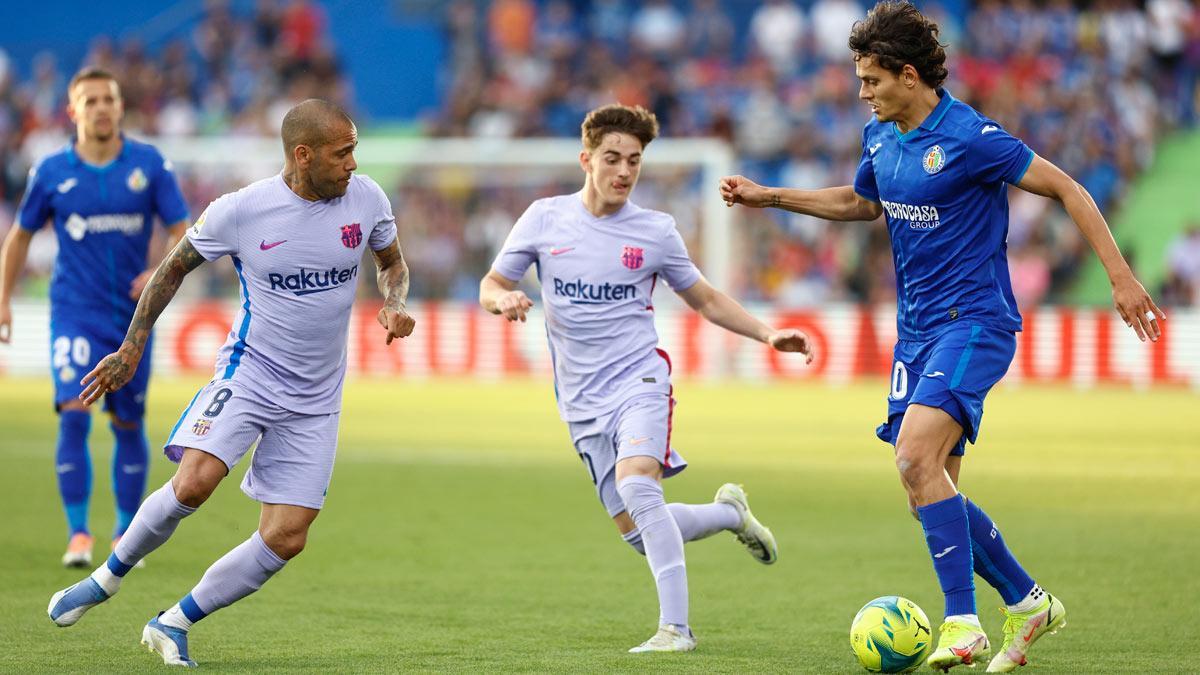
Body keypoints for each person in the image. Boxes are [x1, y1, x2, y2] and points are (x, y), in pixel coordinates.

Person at [719, 2, 1164, 671]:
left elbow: (1068, 187)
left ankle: (963, 621)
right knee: (926, 487)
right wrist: (769, 196)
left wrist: (1120, 276)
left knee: (913, 457)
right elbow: (862, 203)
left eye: (870, 80)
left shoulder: (971, 136)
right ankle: (1028, 600)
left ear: (907, 74)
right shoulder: (881, 139)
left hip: (976, 321)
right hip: (917, 332)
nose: (861, 92)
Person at [45, 98, 415, 668]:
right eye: (342, 154)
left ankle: (174, 621)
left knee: (288, 536)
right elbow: (172, 268)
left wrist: (393, 303)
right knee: (194, 482)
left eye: (355, 151)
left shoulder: (366, 200)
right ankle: (106, 579)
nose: (353, 165)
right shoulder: (241, 210)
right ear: (303, 154)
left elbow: (392, 262)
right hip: (252, 373)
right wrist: (131, 345)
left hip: (317, 399)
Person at [480, 103, 813, 653]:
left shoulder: (655, 231)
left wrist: (767, 334)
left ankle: (675, 631)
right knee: (640, 532)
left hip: (640, 381)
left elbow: (703, 298)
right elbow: (490, 283)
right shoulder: (544, 218)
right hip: (581, 402)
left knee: (639, 484)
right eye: (612, 158)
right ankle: (730, 513)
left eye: (634, 161)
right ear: (586, 159)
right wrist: (504, 298)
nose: (623, 171)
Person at [0, 67, 189, 568]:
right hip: (75, 312)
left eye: (110, 98)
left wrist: (157, 270)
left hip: (133, 321)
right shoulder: (52, 172)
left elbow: (183, 230)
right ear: (73, 111)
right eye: (91, 100)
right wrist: (2, 300)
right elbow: (19, 236)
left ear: (121, 107)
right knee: (74, 412)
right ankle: (79, 534)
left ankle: (125, 535)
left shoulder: (149, 165)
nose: (102, 107)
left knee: (129, 422)